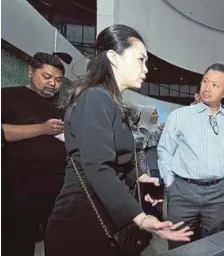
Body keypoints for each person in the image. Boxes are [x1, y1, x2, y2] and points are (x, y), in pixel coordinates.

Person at [44, 24, 192, 256]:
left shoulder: (110, 102)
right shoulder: (95, 98)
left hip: (103, 215)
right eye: (140, 60)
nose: (145, 69)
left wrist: (138, 177)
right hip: (81, 222)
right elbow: (98, 166)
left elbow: (112, 159)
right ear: (114, 57)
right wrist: (142, 219)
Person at [158, 63, 224, 249]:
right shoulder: (179, 116)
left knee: (214, 247)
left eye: (215, 85)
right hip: (183, 192)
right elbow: (165, 150)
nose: (207, 88)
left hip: (220, 193)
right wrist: (170, 183)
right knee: (179, 246)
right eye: (205, 81)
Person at [1, 52, 66, 256]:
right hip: (17, 188)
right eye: (47, 77)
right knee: (18, 244)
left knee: (60, 242)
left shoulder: (62, 105)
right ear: (31, 71)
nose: (52, 84)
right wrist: (42, 128)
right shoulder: (8, 96)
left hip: (57, 187)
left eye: (58, 80)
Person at [132, 105, 165, 218]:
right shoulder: (139, 131)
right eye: (153, 113)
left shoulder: (157, 131)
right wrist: (159, 131)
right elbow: (141, 143)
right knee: (147, 202)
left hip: (160, 170)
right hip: (147, 171)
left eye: (156, 113)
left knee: (158, 202)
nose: (156, 116)